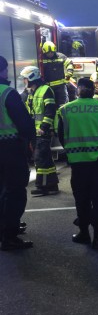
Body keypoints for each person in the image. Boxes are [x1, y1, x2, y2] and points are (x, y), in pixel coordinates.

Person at [57, 77, 98, 249]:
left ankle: (84, 234)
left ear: (77, 90)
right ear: (92, 90)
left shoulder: (65, 110)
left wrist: (73, 150)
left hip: (78, 163)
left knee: (82, 199)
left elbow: (62, 136)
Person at [0, 56, 36, 250]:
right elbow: (25, 125)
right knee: (14, 192)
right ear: (3, 71)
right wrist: (29, 143)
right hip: (9, 149)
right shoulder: (8, 93)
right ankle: (10, 236)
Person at [21, 66, 59, 195]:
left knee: (40, 158)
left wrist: (43, 127)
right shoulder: (32, 92)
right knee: (46, 158)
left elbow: (50, 110)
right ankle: (52, 185)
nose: (24, 81)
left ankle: (42, 186)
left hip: (43, 131)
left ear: (32, 78)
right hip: (35, 131)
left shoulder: (45, 90)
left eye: (25, 79)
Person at [40, 41, 69, 108]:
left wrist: (69, 72)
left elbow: (69, 63)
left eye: (52, 52)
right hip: (48, 87)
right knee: (50, 105)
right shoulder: (42, 59)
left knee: (63, 105)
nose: (50, 54)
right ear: (44, 52)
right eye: (48, 53)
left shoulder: (61, 56)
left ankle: (62, 118)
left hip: (60, 87)